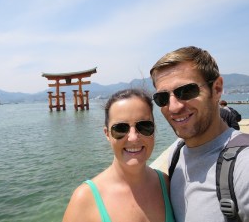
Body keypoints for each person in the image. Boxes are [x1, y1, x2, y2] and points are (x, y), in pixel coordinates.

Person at [149, 46, 249, 222]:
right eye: (162, 98)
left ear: (217, 89)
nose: (174, 107)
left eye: (186, 91)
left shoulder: (243, 166)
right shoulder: (177, 153)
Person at [63, 89, 175, 222]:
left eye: (144, 126)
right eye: (121, 128)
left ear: (154, 129)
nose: (133, 138)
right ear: (107, 134)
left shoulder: (167, 185)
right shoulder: (85, 199)